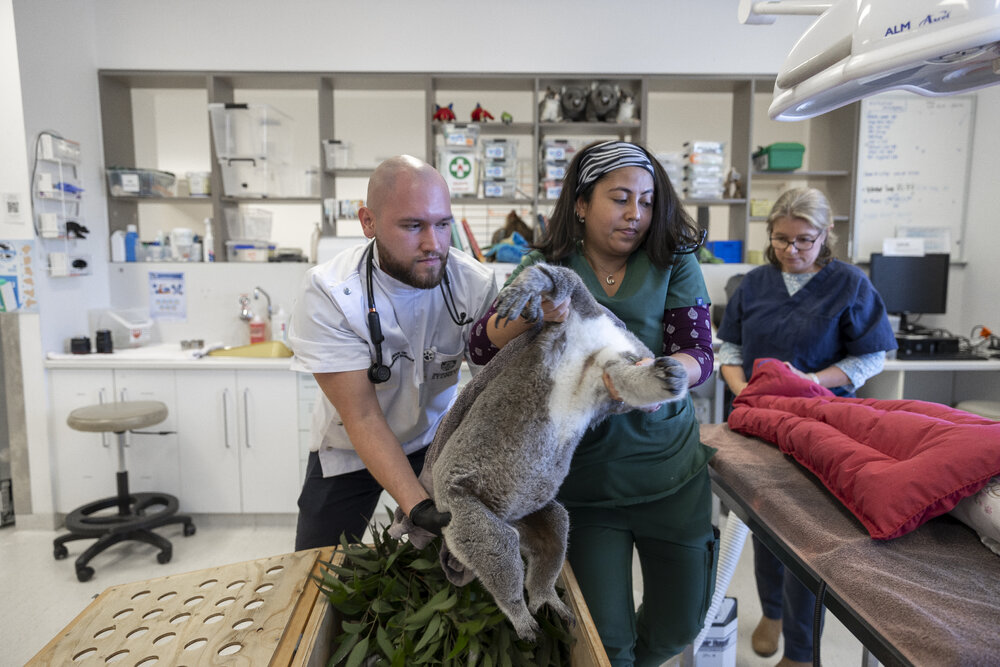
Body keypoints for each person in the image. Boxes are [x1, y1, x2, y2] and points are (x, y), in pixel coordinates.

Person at [468, 140, 719, 666]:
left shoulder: (672, 261)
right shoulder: (546, 266)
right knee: (605, 640)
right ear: (582, 204)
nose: (636, 214)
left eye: (647, 201)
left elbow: (698, 352)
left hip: (668, 471)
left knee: (680, 625)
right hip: (583, 483)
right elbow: (481, 347)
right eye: (620, 198)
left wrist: (662, 377)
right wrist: (536, 313)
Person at [716, 187, 897, 667]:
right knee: (762, 522)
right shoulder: (753, 284)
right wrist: (743, 389)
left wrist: (809, 382)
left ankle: (799, 651)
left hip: (823, 423)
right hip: (760, 422)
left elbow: (870, 356)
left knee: (807, 536)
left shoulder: (850, 284)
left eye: (803, 240)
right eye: (780, 239)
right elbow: (730, 349)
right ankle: (771, 613)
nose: (791, 250)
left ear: (826, 233)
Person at [288, 155, 498, 550]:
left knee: (445, 562)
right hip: (350, 445)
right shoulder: (330, 293)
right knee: (319, 561)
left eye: (443, 224)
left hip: (434, 438)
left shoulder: (474, 283)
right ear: (368, 221)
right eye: (413, 226)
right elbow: (363, 416)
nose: (433, 244)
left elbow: (491, 392)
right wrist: (418, 506)